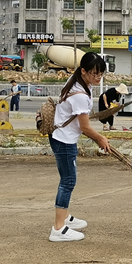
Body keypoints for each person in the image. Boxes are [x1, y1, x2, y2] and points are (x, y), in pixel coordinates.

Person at [48, 52, 111, 242]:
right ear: (83, 71)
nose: (98, 78)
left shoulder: (76, 82)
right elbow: (85, 127)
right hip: (64, 141)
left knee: (67, 179)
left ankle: (65, 217)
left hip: (60, 136)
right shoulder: (80, 95)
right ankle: (58, 228)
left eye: (101, 74)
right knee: (68, 181)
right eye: (94, 74)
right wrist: (100, 138)